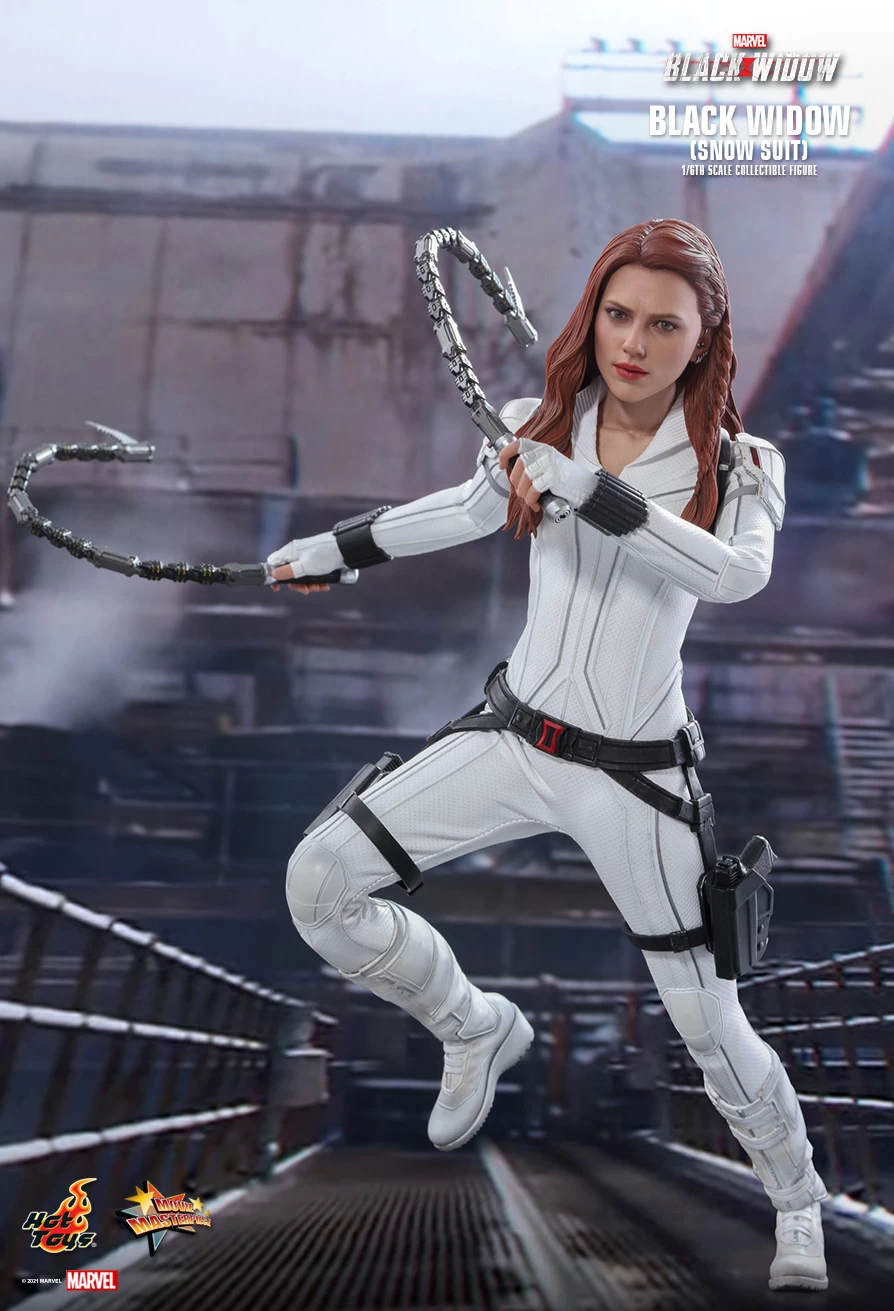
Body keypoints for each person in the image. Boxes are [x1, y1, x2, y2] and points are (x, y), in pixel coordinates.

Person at [268, 219, 828, 1292]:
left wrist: (593, 493)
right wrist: (335, 549)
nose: (635, 342)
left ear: (706, 339)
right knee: (320, 881)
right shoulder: (545, 423)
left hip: (636, 778)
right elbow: (461, 510)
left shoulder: (743, 462)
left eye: (665, 325)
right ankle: (474, 1026)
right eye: (619, 314)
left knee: (710, 1025)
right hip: (515, 736)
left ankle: (797, 1202)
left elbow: (736, 576)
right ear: (592, 316)